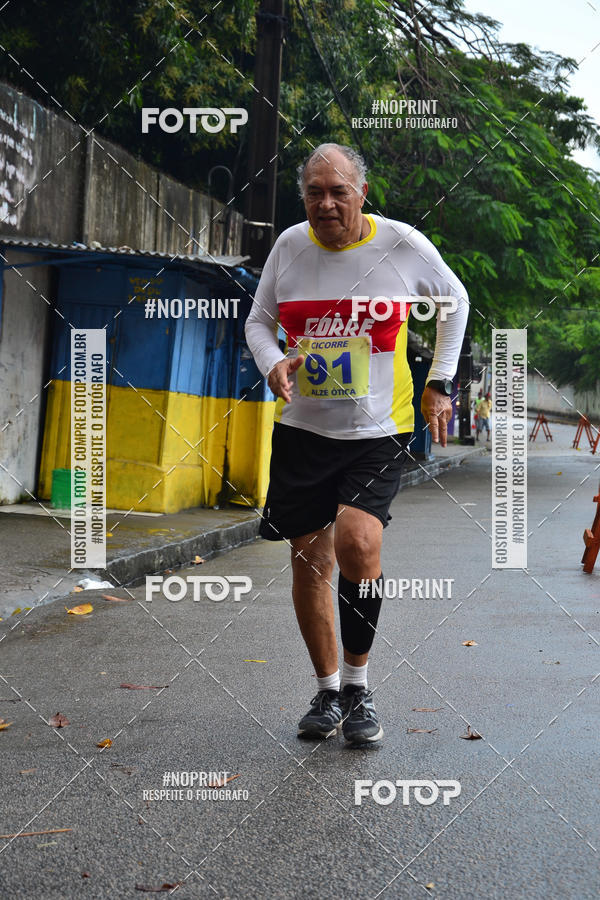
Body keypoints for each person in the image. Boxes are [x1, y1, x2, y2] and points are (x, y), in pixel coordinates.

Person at [245, 143, 469, 745]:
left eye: (337, 191)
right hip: (303, 430)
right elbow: (258, 321)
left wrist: (439, 382)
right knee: (309, 560)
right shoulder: (289, 247)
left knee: (358, 539)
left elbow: (456, 301)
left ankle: (358, 686)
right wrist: (272, 363)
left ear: (361, 193)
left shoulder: (401, 244)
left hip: (378, 430)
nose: (325, 203)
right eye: (314, 192)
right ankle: (325, 691)